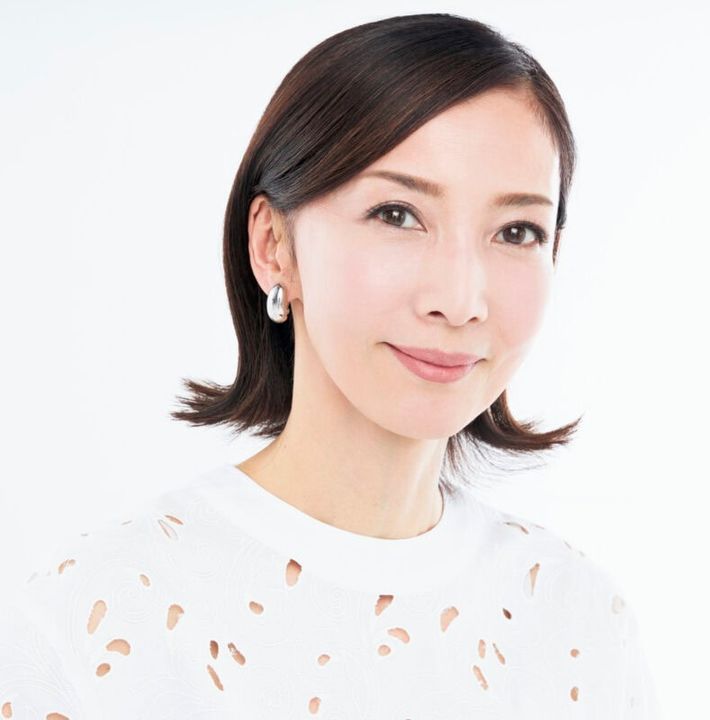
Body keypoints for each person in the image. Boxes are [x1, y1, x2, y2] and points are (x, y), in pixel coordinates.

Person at [0, 12, 661, 719]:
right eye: (397, 214)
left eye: (517, 231)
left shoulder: (580, 625)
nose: (460, 299)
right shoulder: (97, 623)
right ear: (273, 246)